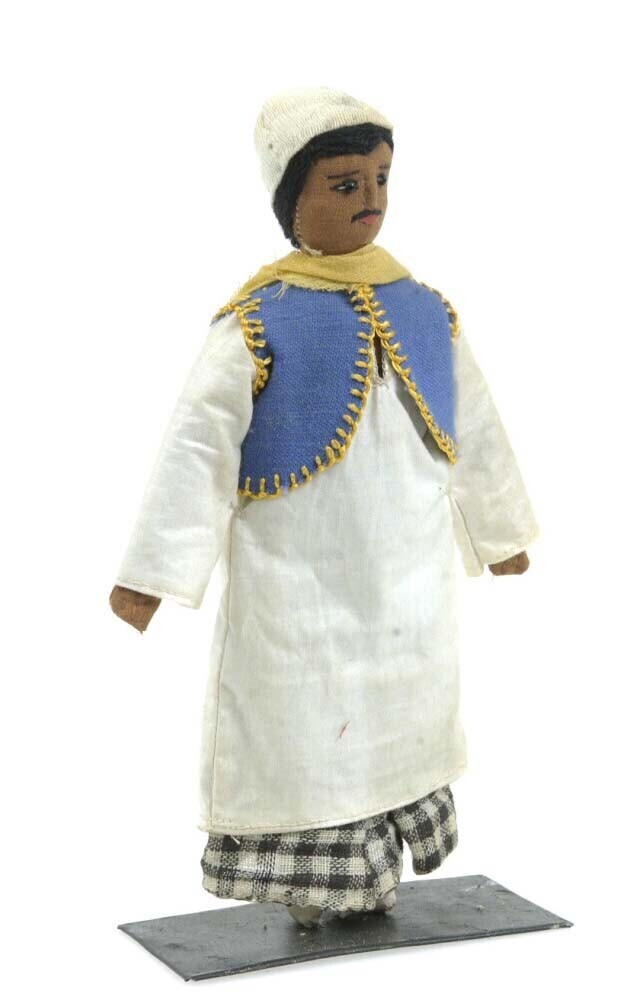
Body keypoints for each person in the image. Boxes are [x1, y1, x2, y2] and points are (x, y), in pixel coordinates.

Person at [110, 86, 538, 928]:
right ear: (293, 199)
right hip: (298, 581)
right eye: (345, 184)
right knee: (303, 730)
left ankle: (375, 881)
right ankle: (315, 893)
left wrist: (500, 532)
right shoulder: (256, 322)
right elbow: (197, 449)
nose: (370, 199)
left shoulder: (425, 311)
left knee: (402, 720)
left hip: (408, 584)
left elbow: (475, 425)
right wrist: (152, 575)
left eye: (379, 178)